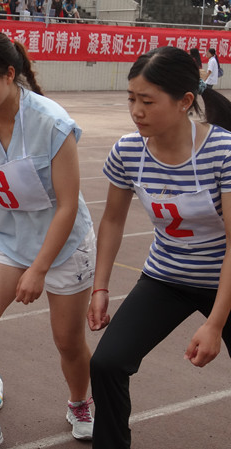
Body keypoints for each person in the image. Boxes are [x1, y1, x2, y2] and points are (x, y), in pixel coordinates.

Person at [0, 30, 96, 448]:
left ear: (9, 75)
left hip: (63, 244)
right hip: (7, 237)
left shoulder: (51, 123)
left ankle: (80, 402)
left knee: (68, 340)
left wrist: (39, 269)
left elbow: (67, 205)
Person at [89, 46, 231, 449]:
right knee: (107, 363)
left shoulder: (223, 152)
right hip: (166, 278)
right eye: (131, 99)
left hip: (224, 281)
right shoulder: (128, 151)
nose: (136, 111)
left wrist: (215, 323)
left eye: (147, 101)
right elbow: (112, 220)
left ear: (185, 101)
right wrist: (100, 288)